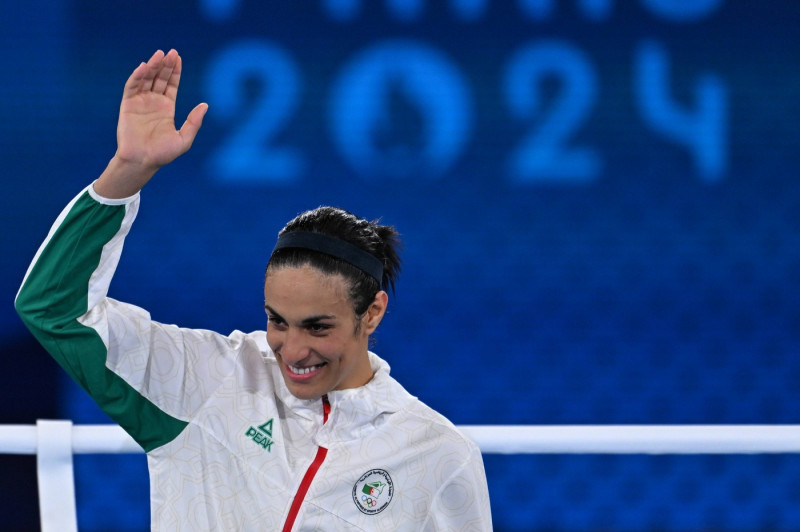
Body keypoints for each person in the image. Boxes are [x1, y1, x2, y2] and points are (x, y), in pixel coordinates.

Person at [15, 49, 492, 531]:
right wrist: (127, 172)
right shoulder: (207, 381)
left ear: (372, 313)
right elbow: (53, 309)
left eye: (318, 326)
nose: (293, 349)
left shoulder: (438, 455)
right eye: (277, 321)